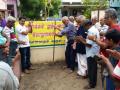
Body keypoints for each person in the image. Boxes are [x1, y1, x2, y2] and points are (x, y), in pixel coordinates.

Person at [76, 20, 100, 89]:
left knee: (91, 69)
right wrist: (83, 39)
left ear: (87, 25)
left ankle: (91, 84)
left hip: (91, 53)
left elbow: (89, 45)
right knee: (93, 69)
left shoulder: (91, 31)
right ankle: (93, 83)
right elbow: (89, 41)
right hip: (94, 52)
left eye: (84, 27)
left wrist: (81, 40)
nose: (84, 29)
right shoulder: (94, 29)